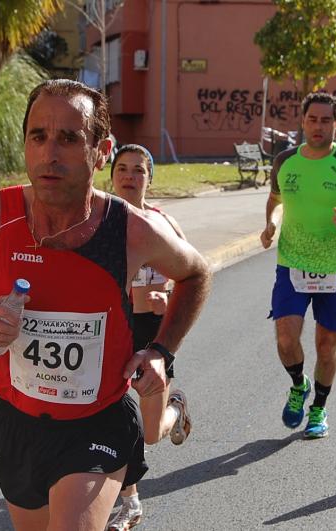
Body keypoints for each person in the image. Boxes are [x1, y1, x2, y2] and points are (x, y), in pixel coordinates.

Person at [0, 79, 211, 531]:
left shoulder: (130, 229)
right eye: (39, 136)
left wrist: (162, 351)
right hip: (19, 425)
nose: (50, 153)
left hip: (99, 421)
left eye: (70, 138)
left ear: (100, 151)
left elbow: (196, 272)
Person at [259, 92, 336, 439]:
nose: (318, 126)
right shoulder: (285, 161)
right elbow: (275, 199)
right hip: (292, 263)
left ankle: (319, 409)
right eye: (312, 119)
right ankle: (299, 385)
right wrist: (271, 222)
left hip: (335, 266)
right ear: (302, 122)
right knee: (285, 339)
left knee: (327, 345)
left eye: (326, 120)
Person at [107, 144, 192, 531]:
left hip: (152, 335)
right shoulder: (99, 223)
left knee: (152, 432)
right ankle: (130, 502)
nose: (129, 176)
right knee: (117, 418)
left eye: (138, 170)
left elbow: (192, 276)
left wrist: (169, 295)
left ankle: (176, 407)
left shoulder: (164, 224)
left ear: (149, 178)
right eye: (122, 168)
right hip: (112, 329)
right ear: (110, 176)